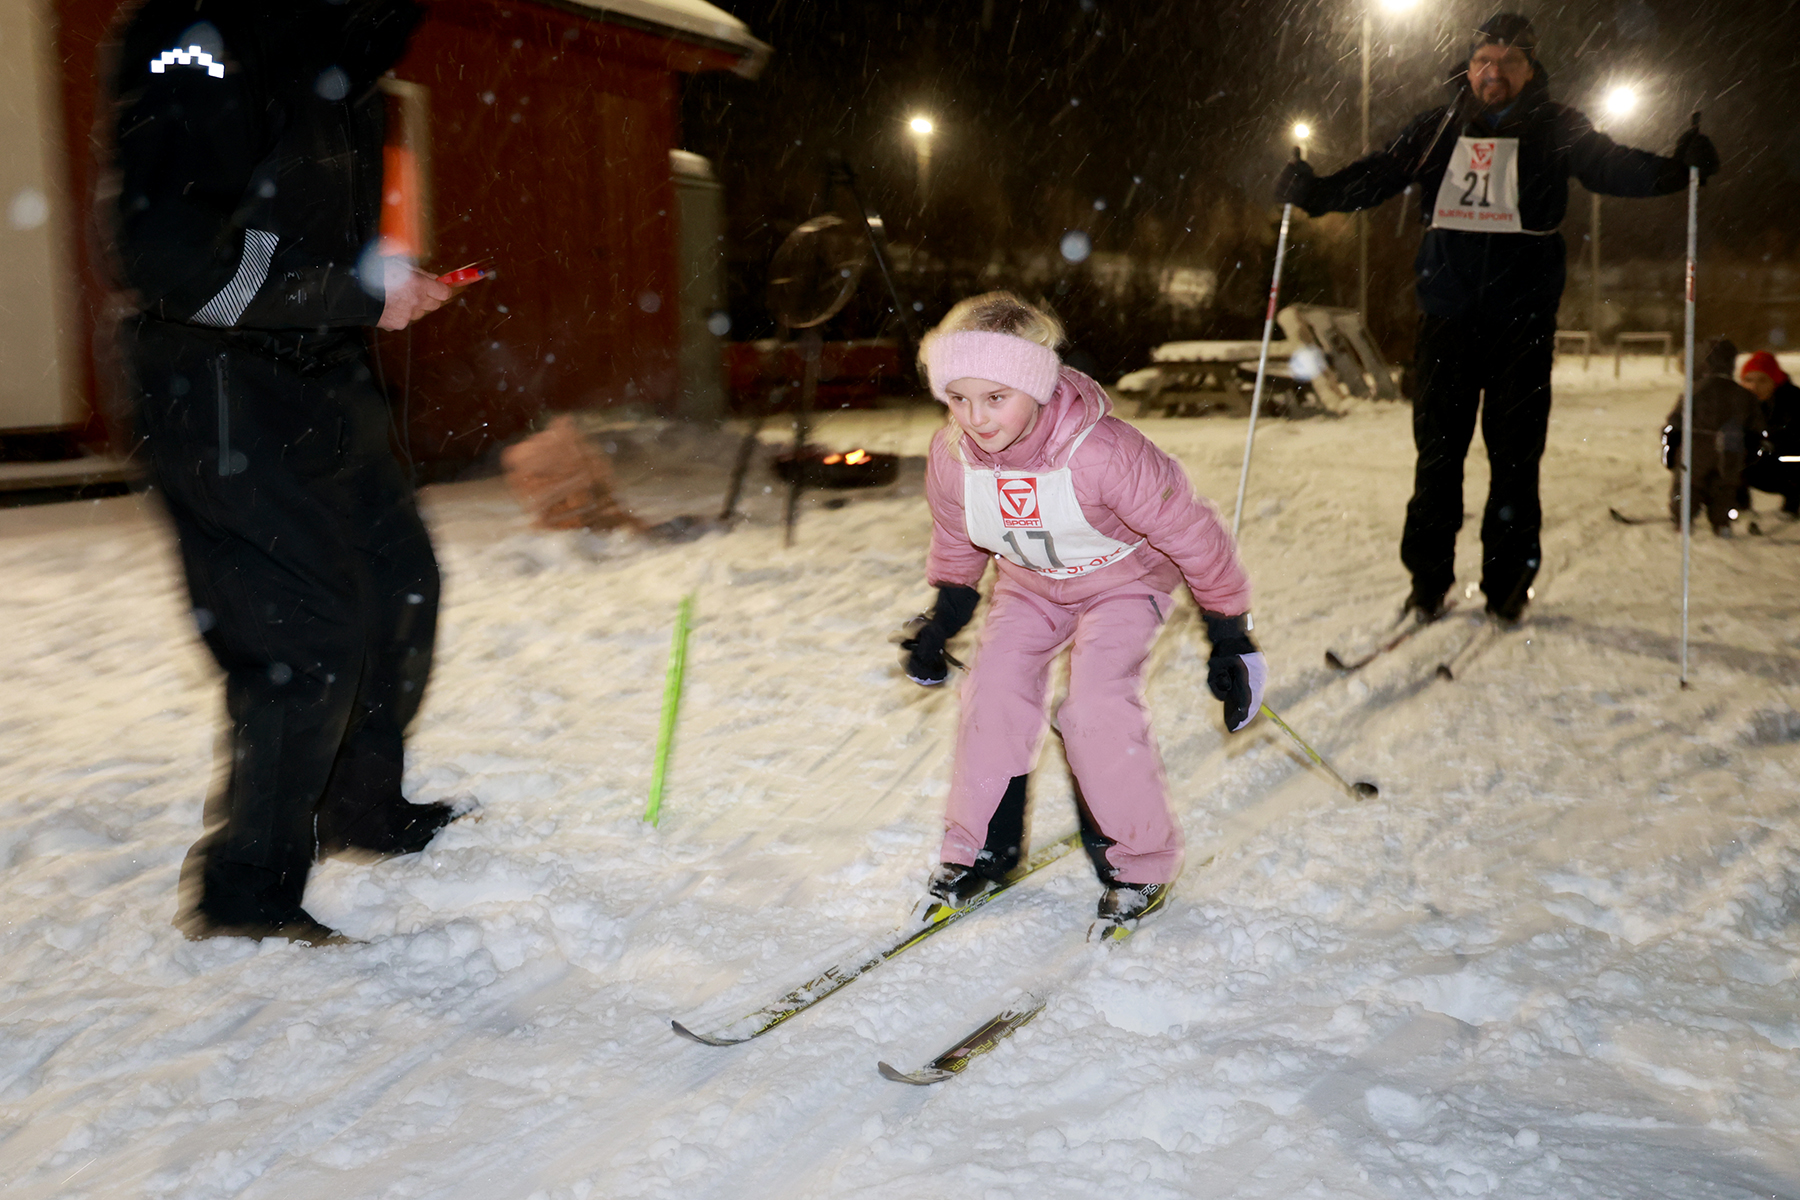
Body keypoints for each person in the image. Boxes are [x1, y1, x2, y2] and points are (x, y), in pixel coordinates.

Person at [109, 0, 459, 943]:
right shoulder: (204, 35)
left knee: (400, 584)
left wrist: (378, 276)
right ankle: (245, 890)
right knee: (302, 634)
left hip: (322, 366)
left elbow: (308, 233)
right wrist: (349, 292)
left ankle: (361, 806)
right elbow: (168, 257)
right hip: (214, 379)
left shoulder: (351, 63)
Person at [1275, 12, 1718, 626]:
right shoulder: (1438, 128)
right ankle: (1427, 583)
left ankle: (1507, 586)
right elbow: (1380, 173)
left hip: (1522, 326)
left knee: (1515, 460)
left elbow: (1611, 166)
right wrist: (1317, 192)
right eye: (1485, 60)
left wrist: (1677, 168)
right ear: (1470, 65)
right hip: (1447, 321)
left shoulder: (1558, 126)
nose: (1495, 72)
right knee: (1436, 458)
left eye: (1510, 61)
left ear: (1531, 68)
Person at [898, 292, 1263, 932]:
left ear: (1036, 386)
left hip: (1123, 583)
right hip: (1029, 586)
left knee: (1093, 707)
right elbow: (958, 535)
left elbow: (1191, 531)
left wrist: (1229, 632)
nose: (975, 418)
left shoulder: (1101, 451)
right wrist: (944, 615)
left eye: (995, 397)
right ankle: (981, 849)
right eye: (957, 398)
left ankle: (1141, 860)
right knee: (992, 696)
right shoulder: (953, 455)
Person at [1665, 338, 1756, 536]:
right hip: (1731, 449)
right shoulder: (1743, 395)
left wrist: (1670, 451)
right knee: (1724, 486)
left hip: (1695, 446)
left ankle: (1683, 519)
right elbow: (1755, 427)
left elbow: (1675, 422)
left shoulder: (1695, 391)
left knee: (1688, 484)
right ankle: (1721, 522)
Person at [1741, 351, 1800, 519]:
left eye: (1762, 380)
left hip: (1788, 467)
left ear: (1775, 381)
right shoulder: (1740, 403)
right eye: (1748, 380)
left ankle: (1792, 507)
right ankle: (1741, 508)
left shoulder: (1793, 401)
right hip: (1759, 464)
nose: (1754, 386)